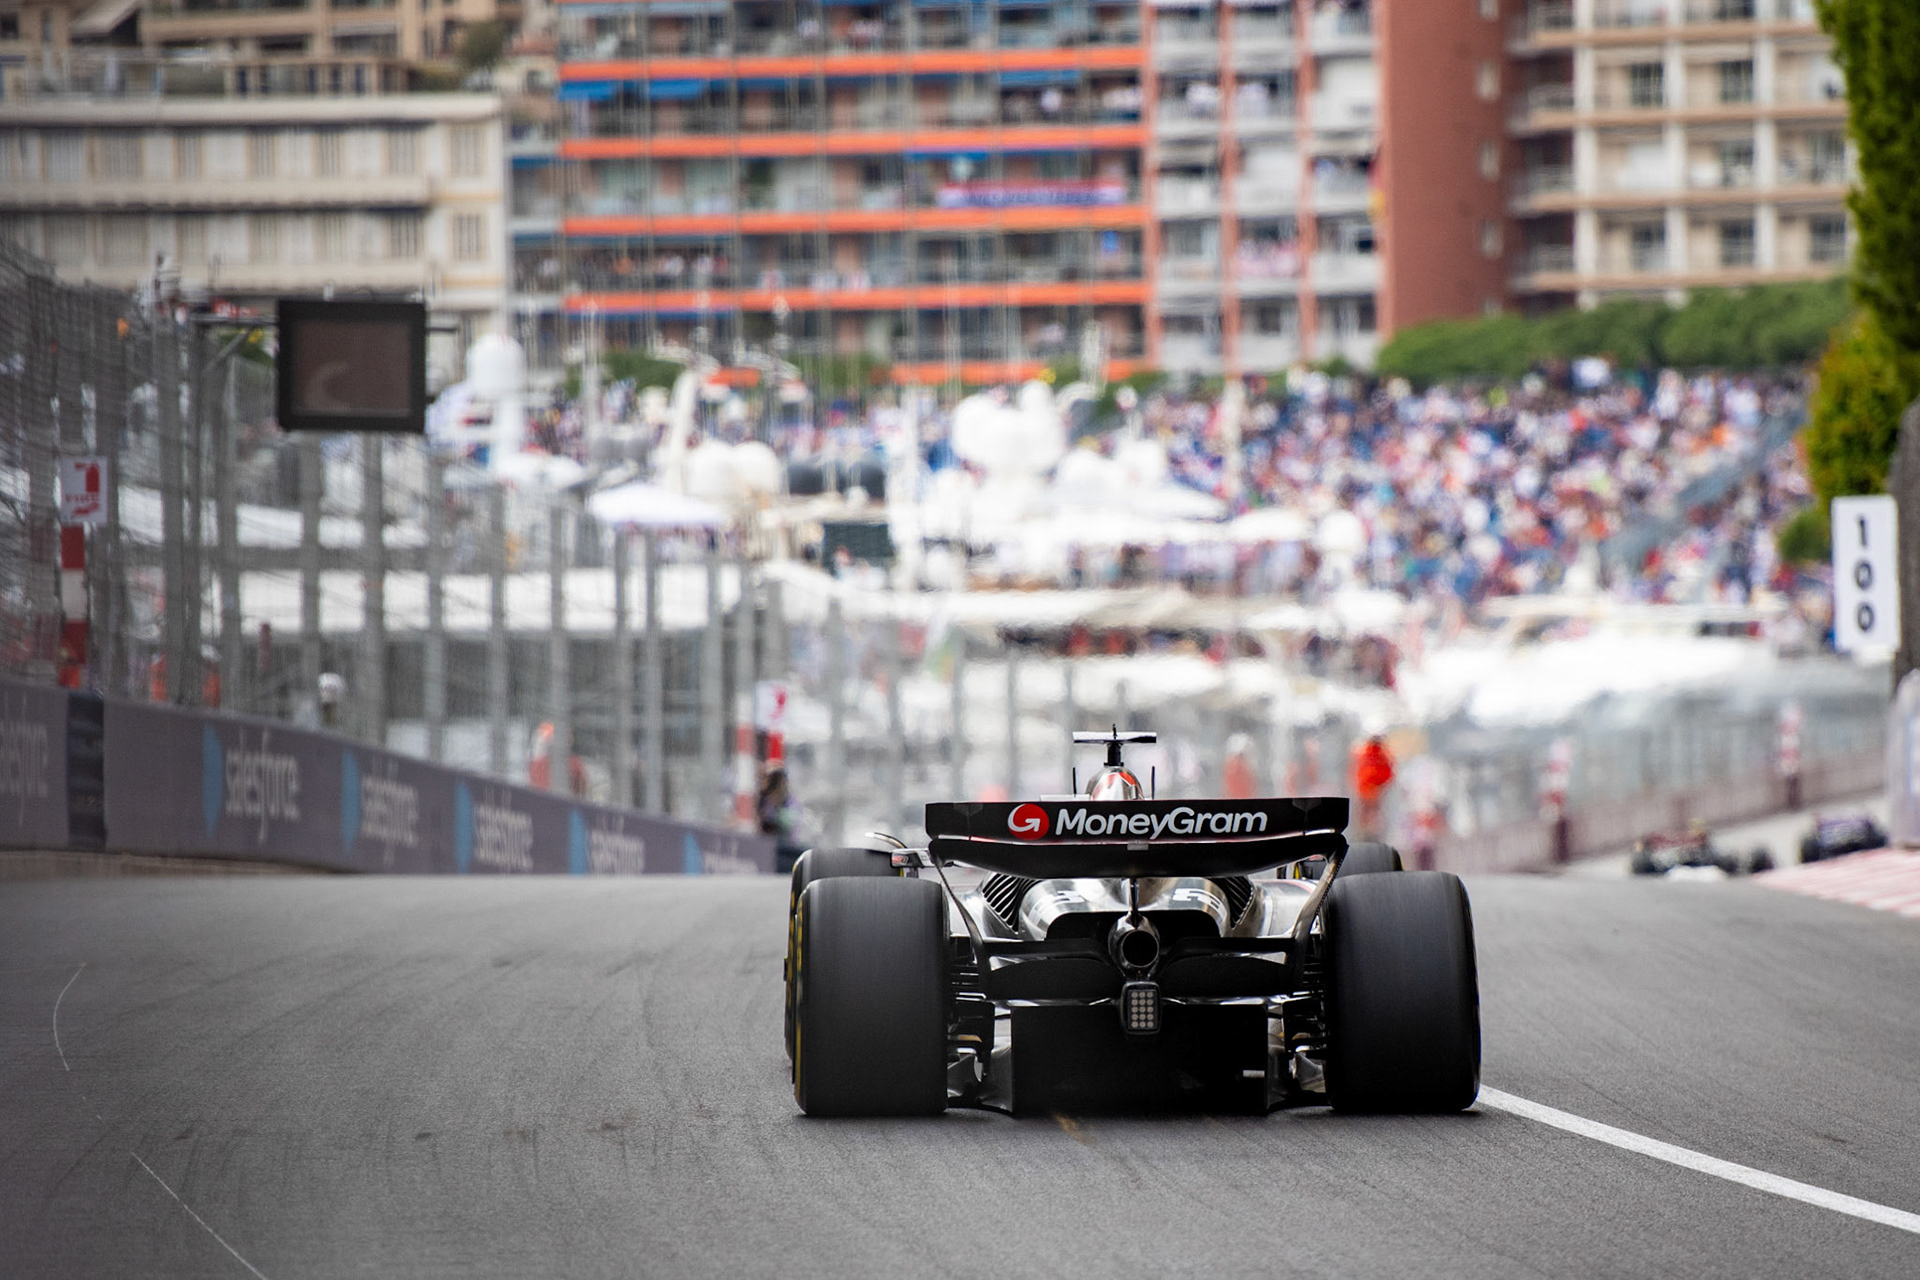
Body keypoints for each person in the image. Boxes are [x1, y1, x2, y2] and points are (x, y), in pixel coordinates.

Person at [758, 767, 804, 873]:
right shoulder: (766, 801)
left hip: (788, 850)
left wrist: (776, 811)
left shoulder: (791, 802)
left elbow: (790, 822)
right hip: (768, 851)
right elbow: (762, 823)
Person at [1351, 732, 1395, 839]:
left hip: (1370, 791)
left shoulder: (1365, 753)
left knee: (1369, 813)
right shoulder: (1379, 754)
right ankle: (1368, 832)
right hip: (1370, 791)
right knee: (1370, 812)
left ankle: (1368, 832)